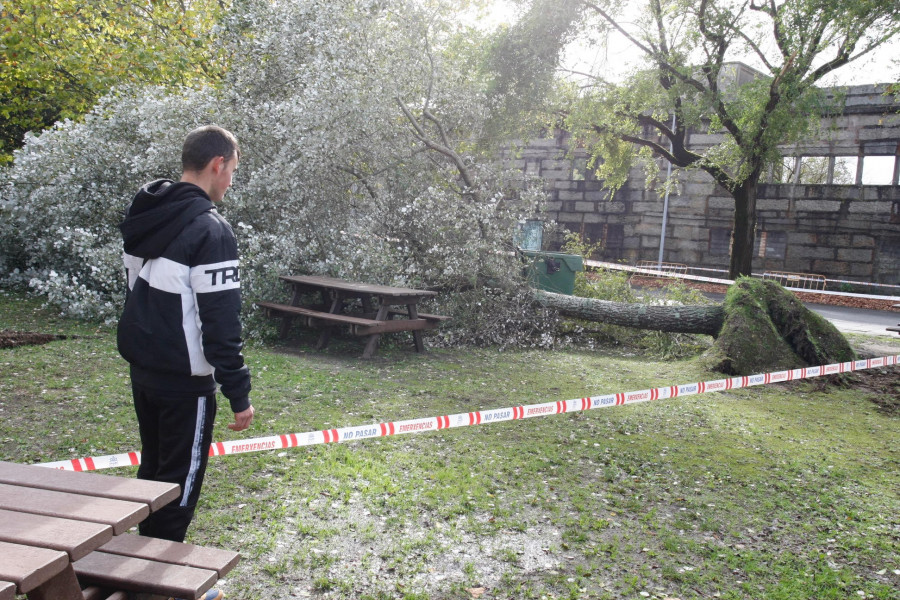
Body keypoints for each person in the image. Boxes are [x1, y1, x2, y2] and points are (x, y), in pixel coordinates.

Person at [117, 126, 254, 595]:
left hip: (144, 370)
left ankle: (139, 572)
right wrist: (239, 392)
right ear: (217, 164)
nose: (231, 182)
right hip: (184, 381)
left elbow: (136, 291)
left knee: (153, 474)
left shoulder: (148, 212)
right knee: (178, 483)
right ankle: (154, 586)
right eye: (233, 170)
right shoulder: (211, 230)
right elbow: (221, 324)